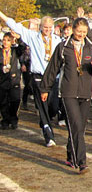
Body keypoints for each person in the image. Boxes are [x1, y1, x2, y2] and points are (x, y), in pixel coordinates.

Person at [40, 17, 92, 174]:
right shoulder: (63, 47)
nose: (81, 34)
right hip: (68, 92)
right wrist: (45, 89)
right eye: (78, 31)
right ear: (73, 30)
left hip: (85, 92)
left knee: (79, 128)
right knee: (75, 125)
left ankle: (70, 155)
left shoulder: (91, 47)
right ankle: (81, 162)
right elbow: (52, 68)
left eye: (83, 32)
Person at [0, 10, 62, 147]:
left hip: (53, 77)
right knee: (43, 106)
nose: (47, 30)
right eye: (45, 27)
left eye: (50, 28)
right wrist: (2, 15)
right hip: (38, 76)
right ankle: (48, 135)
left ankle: (45, 120)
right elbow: (16, 26)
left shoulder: (57, 40)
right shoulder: (33, 37)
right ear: (40, 27)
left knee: (53, 107)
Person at [0, 32, 26, 129]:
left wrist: (18, 38)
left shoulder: (15, 51)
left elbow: (23, 47)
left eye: (8, 40)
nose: (6, 42)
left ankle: (13, 119)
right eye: (4, 40)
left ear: (12, 42)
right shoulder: (0, 51)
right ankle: (5, 120)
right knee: (3, 102)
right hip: (2, 80)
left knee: (15, 100)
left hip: (14, 80)